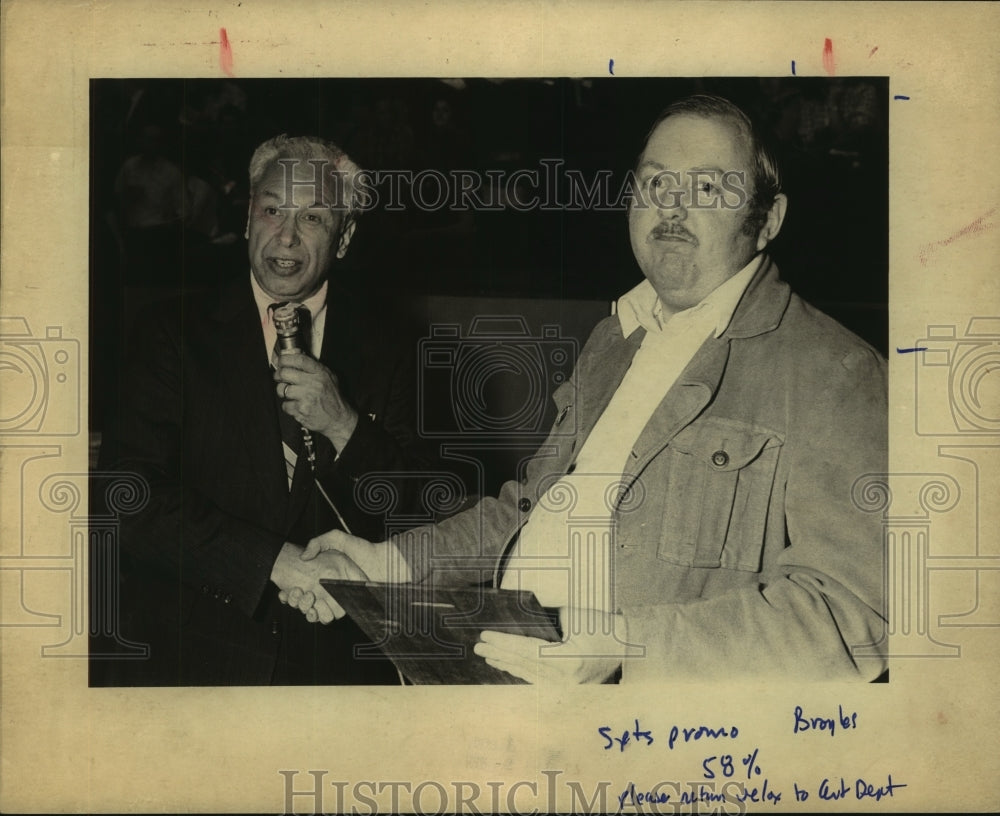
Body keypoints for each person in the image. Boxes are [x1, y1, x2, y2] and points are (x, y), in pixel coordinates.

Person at [284, 95, 889, 683]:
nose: (672, 209)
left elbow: (853, 618)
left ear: (769, 219)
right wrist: (386, 564)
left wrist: (629, 648)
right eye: (655, 185)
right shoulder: (615, 339)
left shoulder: (836, 373)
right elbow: (528, 509)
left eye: (707, 188)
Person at [92, 134, 429, 686]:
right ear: (248, 219)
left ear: (344, 239)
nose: (287, 236)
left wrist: (344, 424)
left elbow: (423, 512)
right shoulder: (169, 333)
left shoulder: (396, 349)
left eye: (315, 217)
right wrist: (276, 561)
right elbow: (126, 496)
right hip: (188, 659)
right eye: (273, 210)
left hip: (333, 671)